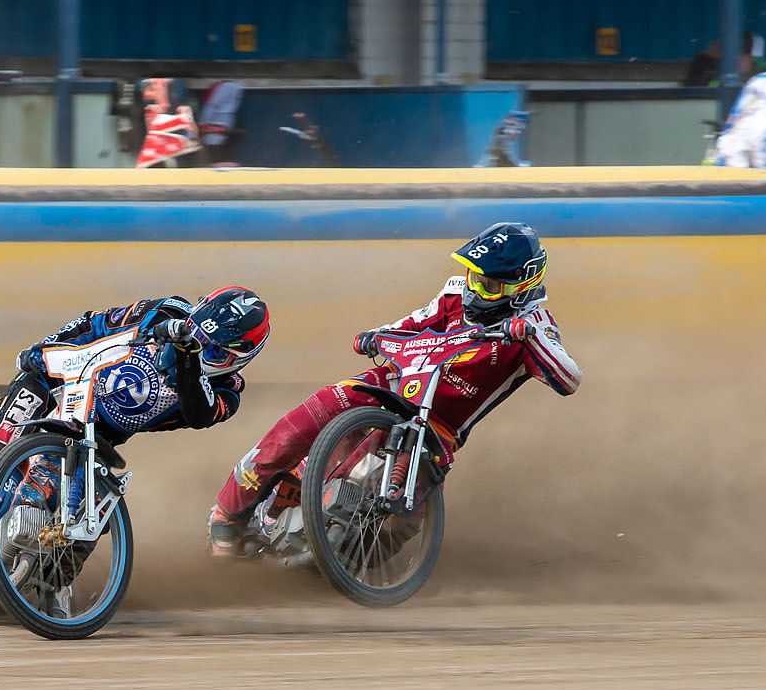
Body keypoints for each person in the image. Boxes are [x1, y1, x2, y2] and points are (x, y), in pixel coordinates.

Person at [208, 223, 580, 557]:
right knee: (307, 419)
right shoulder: (454, 294)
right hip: (390, 384)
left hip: (439, 427)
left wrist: (530, 336)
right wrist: (374, 336)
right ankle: (227, 517)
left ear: (524, 284)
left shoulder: (536, 325)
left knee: (404, 521)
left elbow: (569, 379)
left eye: (489, 284)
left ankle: (344, 568)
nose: (475, 289)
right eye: (472, 276)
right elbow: (407, 326)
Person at [0, 287, 273, 609]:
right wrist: (44, 349)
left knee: (97, 507)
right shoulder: (162, 311)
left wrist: (189, 356)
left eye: (217, 354)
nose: (206, 354)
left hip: (96, 433)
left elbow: (199, 410)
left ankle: (50, 583)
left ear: (242, 358)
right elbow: (94, 322)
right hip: (48, 386)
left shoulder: (228, 393)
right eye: (199, 338)